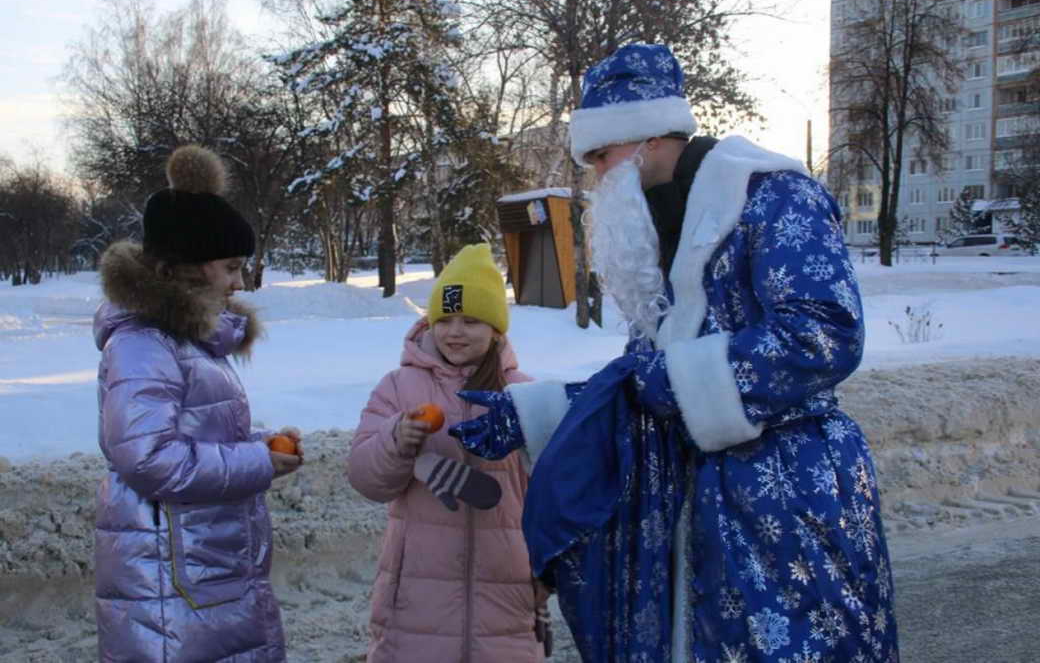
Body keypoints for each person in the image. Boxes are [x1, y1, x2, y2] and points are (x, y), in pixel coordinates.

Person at [451, 43, 899, 662]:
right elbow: (647, 380)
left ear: (647, 138)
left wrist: (678, 382)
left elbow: (824, 333)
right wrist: (536, 413)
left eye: (602, 156)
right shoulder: (658, 227)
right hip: (700, 503)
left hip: (788, 495)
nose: (598, 175)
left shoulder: (772, 196)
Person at [93, 145, 302, 662]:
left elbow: (192, 441)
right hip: (173, 578)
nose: (239, 283)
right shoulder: (143, 345)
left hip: (204, 565)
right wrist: (256, 461)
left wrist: (258, 447)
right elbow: (150, 458)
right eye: (230, 267)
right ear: (187, 269)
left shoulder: (186, 341)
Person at [346, 243, 550, 663]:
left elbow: (550, 492)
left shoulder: (524, 394)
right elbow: (366, 478)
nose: (455, 331)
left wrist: (545, 572)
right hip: (415, 602)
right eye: (445, 319)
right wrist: (396, 441)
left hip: (506, 595)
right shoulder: (398, 387)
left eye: (471, 320)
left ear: (496, 328)